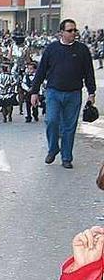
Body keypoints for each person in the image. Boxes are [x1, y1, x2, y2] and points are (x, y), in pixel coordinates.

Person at [30, 19, 96, 169]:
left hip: (74, 94)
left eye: (75, 30)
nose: (74, 33)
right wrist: (34, 92)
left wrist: (92, 93)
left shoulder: (82, 49)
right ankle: (53, 148)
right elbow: (40, 71)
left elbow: (89, 72)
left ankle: (66, 157)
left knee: (69, 127)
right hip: (53, 92)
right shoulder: (51, 49)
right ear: (61, 32)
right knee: (51, 121)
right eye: (70, 30)